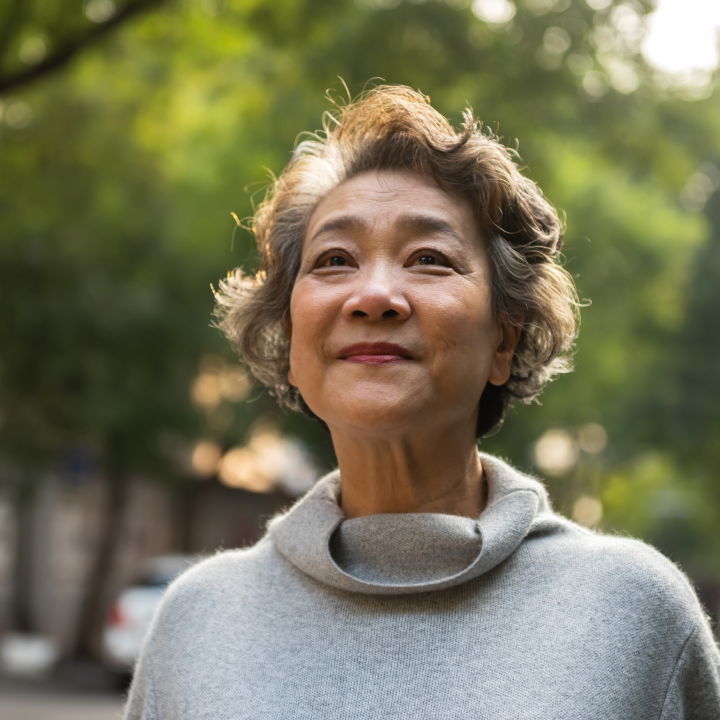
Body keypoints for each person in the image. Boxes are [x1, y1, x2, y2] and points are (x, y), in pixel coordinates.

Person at [125, 85, 720, 719]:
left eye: (429, 259)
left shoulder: (634, 614)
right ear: (291, 339)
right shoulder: (197, 624)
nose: (375, 294)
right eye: (334, 259)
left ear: (504, 339)